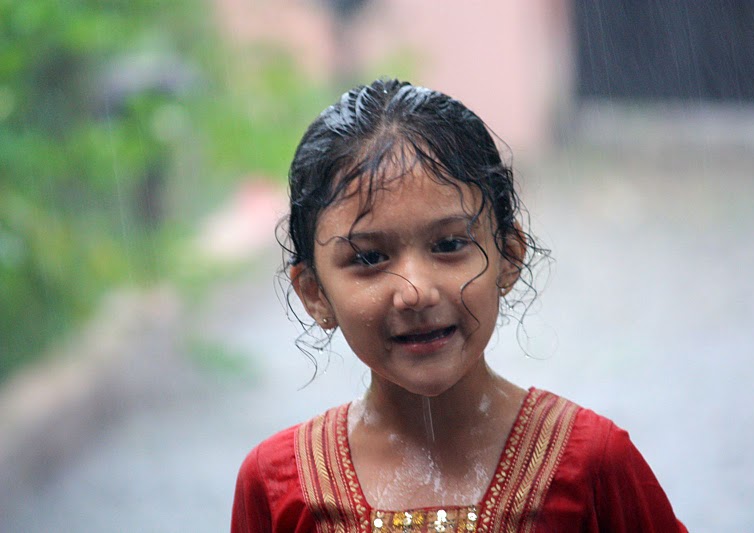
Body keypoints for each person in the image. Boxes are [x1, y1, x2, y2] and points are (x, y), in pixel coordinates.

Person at [231, 79, 687, 532]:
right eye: (369, 257)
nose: (415, 291)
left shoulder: (591, 466)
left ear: (508, 257)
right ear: (314, 293)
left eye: (449, 244)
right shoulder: (276, 486)